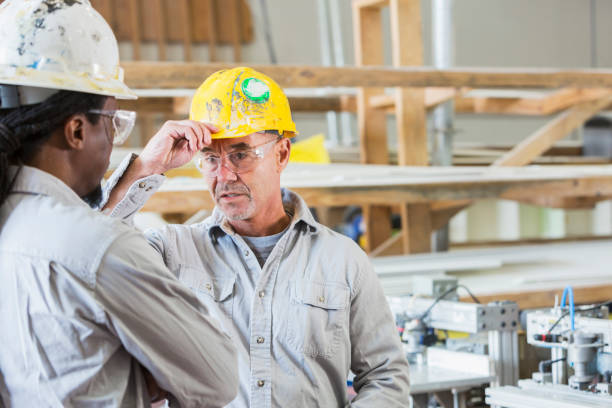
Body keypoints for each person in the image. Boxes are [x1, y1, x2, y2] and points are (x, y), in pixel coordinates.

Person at [105, 67, 411, 407]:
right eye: (210, 159)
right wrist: (146, 165)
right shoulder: (171, 252)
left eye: (240, 154)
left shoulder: (342, 259)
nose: (224, 175)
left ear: (281, 154)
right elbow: (91, 251)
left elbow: (386, 378)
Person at [0, 1, 238, 406]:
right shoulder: (102, 248)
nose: (114, 141)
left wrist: (142, 171)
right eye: (113, 122)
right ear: (77, 129)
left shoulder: (15, 224)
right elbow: (217, 378)